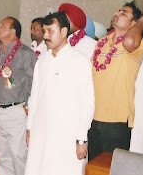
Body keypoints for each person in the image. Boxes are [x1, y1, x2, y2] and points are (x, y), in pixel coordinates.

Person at [25, 12, 95, 175]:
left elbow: (87, 102)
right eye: (44, 31)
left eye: (50, 31)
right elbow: (34, 96)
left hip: (67, 133)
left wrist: (81, 138)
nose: (46, 35)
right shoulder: (42, 60)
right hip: (41, 131)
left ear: (64, 32)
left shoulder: (79, 61)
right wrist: (30, 127)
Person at [88, 1, 143, 161]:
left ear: (134, 23)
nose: (117, 13)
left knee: (112, 168)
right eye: (118, 11)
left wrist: (142, 23)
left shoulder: (138, 44)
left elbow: (129, 42)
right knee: (93, 167)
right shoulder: (102, 42)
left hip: (117, 120)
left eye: (124, 13)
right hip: (93, 117)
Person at [0, 16, 38, 175]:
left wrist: (27, 106)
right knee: (2, 155)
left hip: (16, 111)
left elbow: (36, 82)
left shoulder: (26, 54)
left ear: (13, 31)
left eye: (2, 26)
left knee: (18, 155)